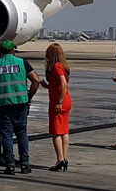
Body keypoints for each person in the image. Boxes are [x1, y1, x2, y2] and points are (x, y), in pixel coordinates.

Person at [0, 40, 40, 175]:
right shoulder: (22, 63)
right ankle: (25, 165)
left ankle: (9, 165)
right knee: (22, 134)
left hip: (2, 105)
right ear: (13, 51)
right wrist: (29, 97)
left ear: (1, 51)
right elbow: (36, 80)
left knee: (6, 135)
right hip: (20, 104)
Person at [40, 43, 72, 171]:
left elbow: (63, 84)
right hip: (66, 100)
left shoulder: (56, 67)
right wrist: (49, 86)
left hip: (60, 101)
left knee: (56, 131)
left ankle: (60, 159)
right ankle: (64, 158)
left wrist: (59, 101)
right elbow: (60, 84)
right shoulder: (63, 66)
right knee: (64, 130)